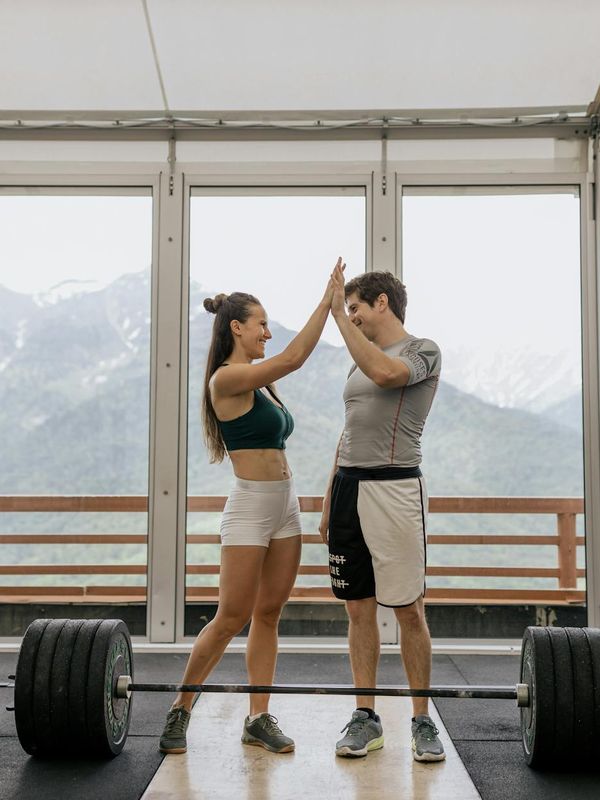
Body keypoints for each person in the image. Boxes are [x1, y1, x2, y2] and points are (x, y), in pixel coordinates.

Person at [159, 258, 343, 756]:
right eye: (261, 323)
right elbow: (291, 359)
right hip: (249, 509)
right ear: (236, 327)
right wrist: (327, 304)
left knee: (268, 614)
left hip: (285, 507)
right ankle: (180, 709)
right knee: (230, 616)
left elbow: (280, 370)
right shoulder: (225, 379)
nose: (267, 331)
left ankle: (258, 717)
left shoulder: (259, 383)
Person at [319, 265, 445, 762]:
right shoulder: (357, 362)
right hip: (349, 486)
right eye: (346, 308)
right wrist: (330, 495)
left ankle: (421, 720)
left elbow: (387, 375)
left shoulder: (422, 350)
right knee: (357, 608)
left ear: (382, 304)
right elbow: (347, 430)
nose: (351, 318)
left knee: (409, 611)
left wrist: (337, 320)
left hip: (395, 489)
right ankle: (365, 717)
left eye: (356, 309)